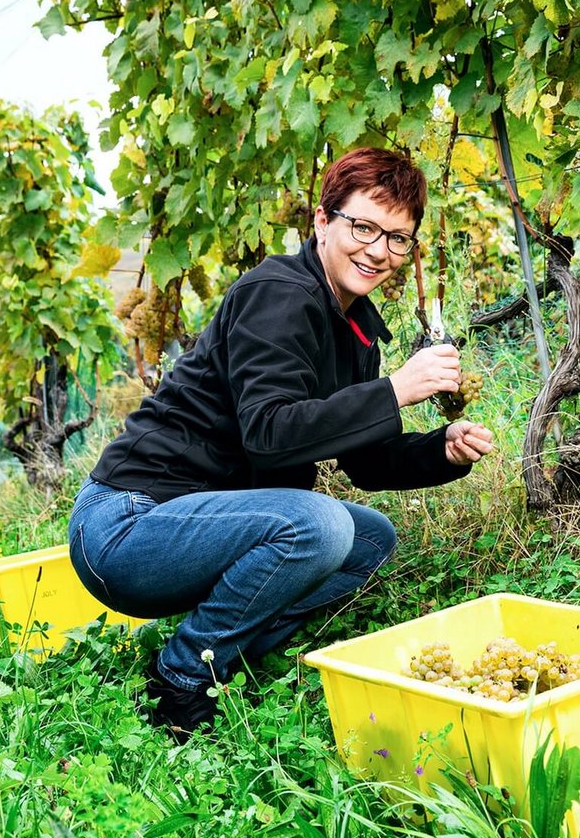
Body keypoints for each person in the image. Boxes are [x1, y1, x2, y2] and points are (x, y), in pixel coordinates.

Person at [68, 147, 494, 737]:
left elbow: (363, 461)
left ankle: (223, 654)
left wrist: (439, 450)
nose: (379, 251)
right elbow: (270, 435)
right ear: (322, 221)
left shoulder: (356, 330)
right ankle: (182, 678)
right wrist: (395, 390)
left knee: (369, 539)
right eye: (364, 227)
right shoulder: (277, 293)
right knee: (321, 527)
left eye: (398, 238)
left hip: (197, 525)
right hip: (128, 526)